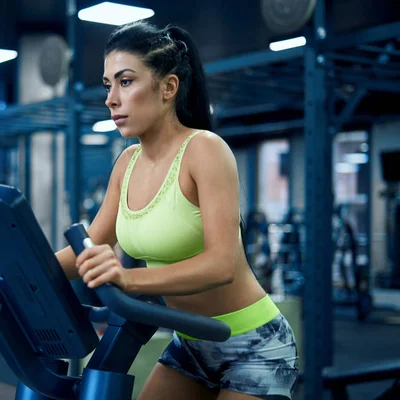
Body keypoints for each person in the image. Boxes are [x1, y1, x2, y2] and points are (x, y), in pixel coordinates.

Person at [56, 21, 298, 400]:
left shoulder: (205, 150)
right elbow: (84, 250)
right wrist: (14, 269)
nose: (111, 99)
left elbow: (220, 263)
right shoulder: (126, 164)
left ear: (168, 87)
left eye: (125, 81)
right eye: (108, 85)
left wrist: (127, 280)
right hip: (193, 342)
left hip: (255, 345)